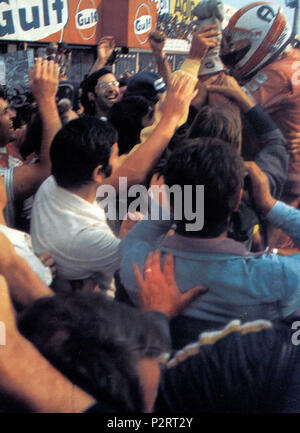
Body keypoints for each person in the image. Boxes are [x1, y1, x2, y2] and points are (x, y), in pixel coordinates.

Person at [120, 137, 300, 348]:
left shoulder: (136, 264)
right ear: (236, 202)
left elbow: (141, 235)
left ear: (171, 197)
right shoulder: (276, 278)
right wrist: (268, 204)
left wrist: (180, 198)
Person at [0, 58, 61, 228]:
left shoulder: (12, 151)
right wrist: (47, 100)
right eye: (5, 112)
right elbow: (48, 169)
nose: (13, 115)